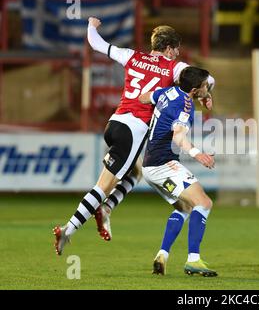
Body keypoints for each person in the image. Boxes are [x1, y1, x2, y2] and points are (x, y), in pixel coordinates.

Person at [53, 17, 214, 255]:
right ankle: (68, 230)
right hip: (134, 130)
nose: (177, 53)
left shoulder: (132, 56)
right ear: (169, 48)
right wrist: (206, 93)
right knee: (103, 187)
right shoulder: (174, 67)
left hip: (115, 123)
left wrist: (91, 26)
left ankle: (106, 210)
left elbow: (96, 44)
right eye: (176, 48)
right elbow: (207, 79)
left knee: (137, 171)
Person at [138, 66, 217, 277]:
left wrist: (205, 96)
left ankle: (162, 255)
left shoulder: (167, 92)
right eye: (204, 85)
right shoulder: (184, 107)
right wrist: (197, 153)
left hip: (150, 165)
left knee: (184, 208)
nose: (207, 87)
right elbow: (178, 137)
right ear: (194, 89)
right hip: (164, 165)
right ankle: (194, 259)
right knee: (204, 202)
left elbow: (144, 98)